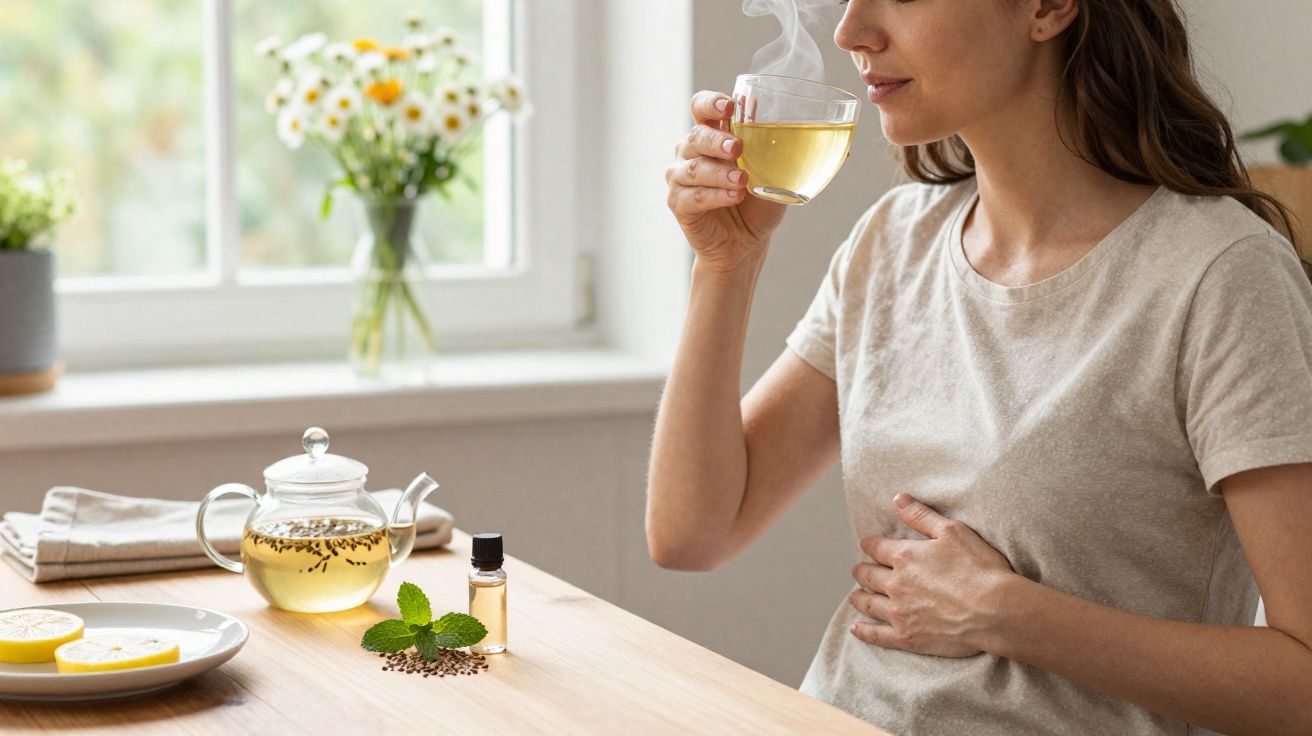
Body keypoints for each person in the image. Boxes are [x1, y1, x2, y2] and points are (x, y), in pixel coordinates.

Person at [650, 0, 1312, 734]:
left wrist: (1009, 616)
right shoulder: (895, 240)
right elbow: (692, 533)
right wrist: (725, 264)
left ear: (1048, 8)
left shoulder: (1219, 277)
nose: (850, 31)